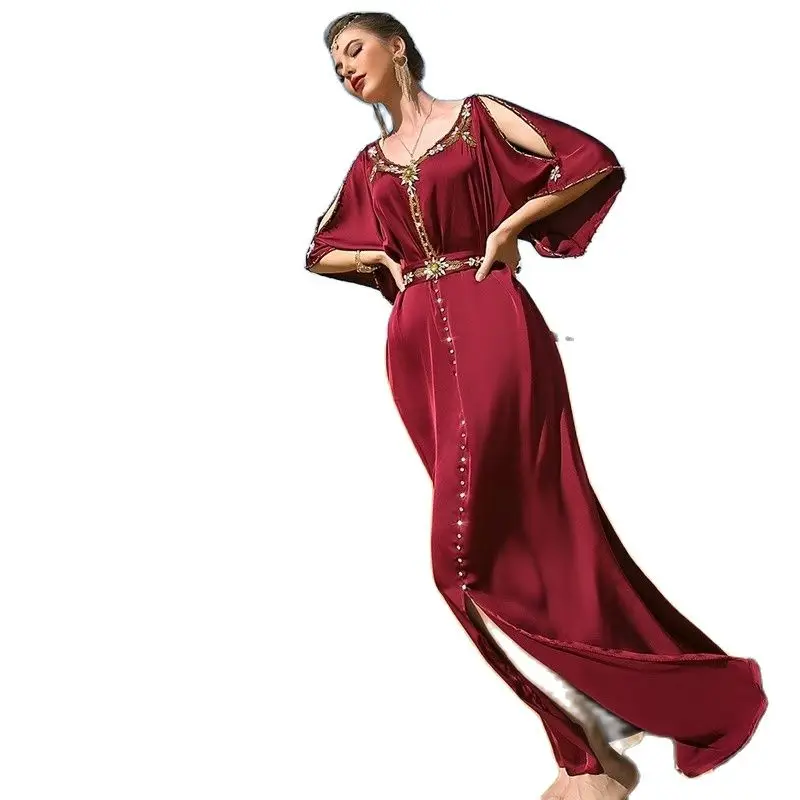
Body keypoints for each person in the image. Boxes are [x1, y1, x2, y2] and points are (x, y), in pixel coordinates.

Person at [304, 12, 768, 800]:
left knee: (461, 562)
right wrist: (377, 255)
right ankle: (591, 746)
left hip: (489, 319)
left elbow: (587, 161)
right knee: (506, 543)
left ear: (397, 47)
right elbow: (318, 250)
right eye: (333, 62)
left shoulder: (477, 116)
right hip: (415, 347)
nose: (344, 67)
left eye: (354, 49)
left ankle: (598, 757)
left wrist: (511, 225)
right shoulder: (367, 163)